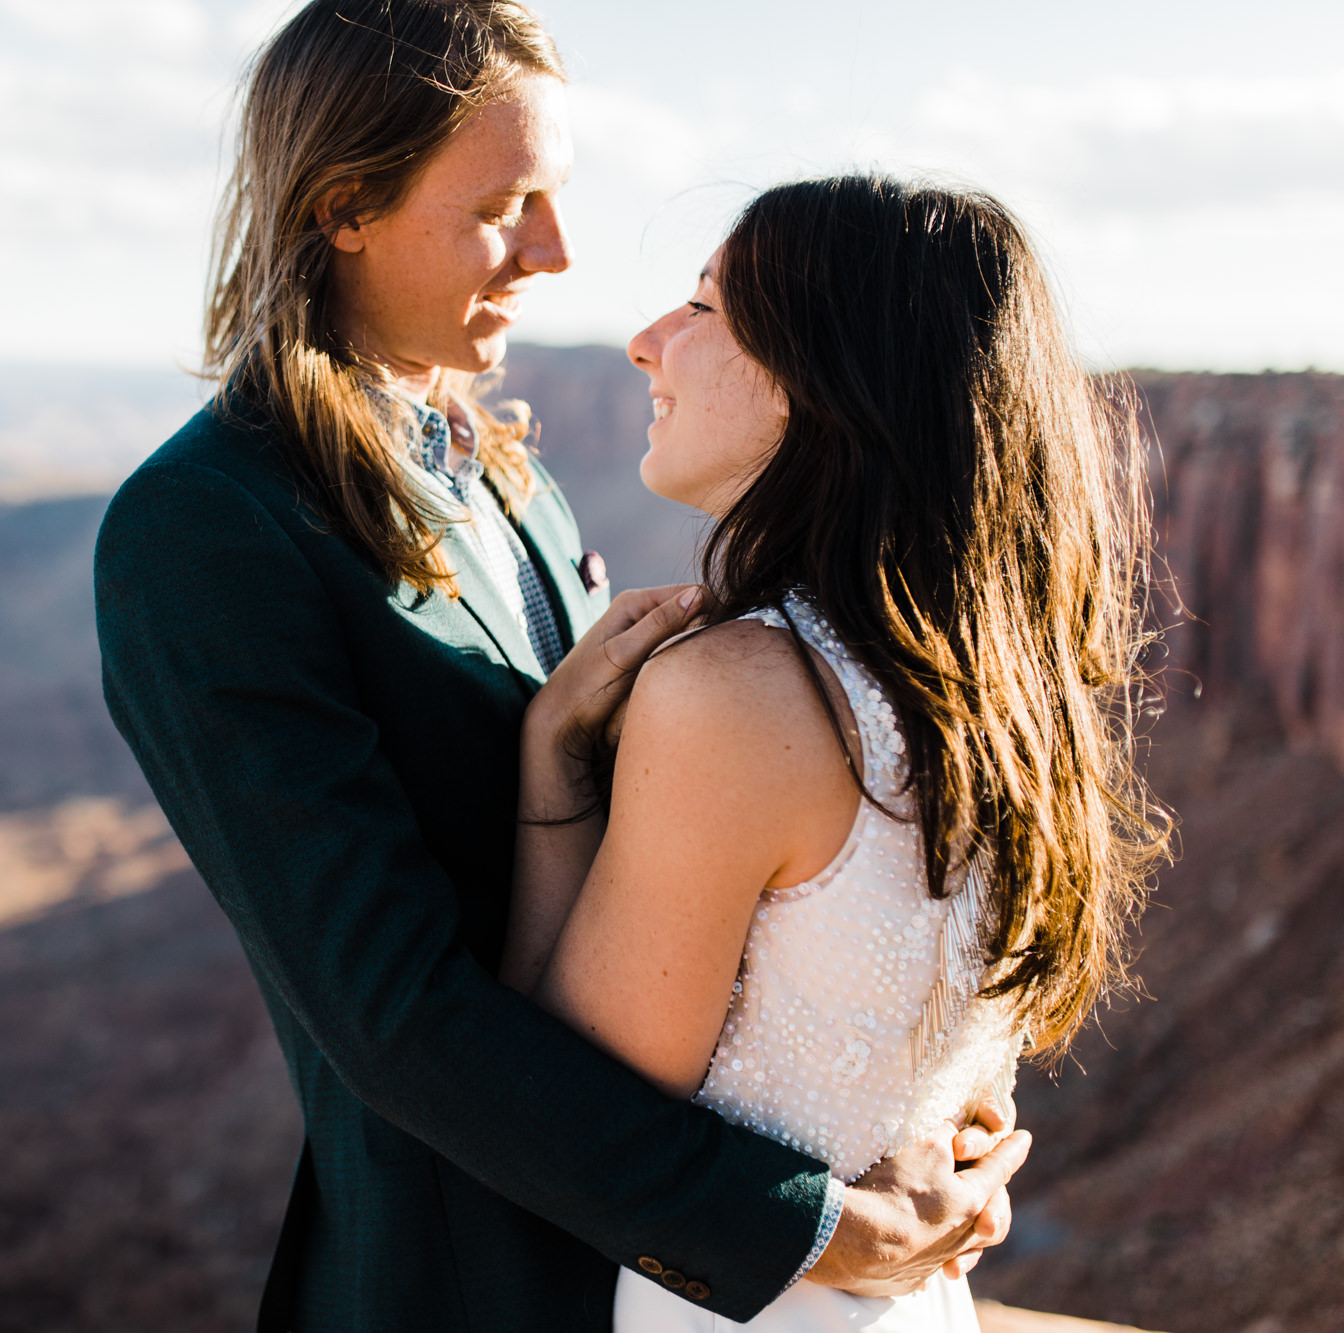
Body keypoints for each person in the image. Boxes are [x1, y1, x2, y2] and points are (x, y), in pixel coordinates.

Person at [96, 5, 1026, 1329]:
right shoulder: (205, 530)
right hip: (465, 1279)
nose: (556, 251)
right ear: (346, 203)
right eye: (505, 206)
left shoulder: (502, 477)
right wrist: (811, 1227)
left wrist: (919, 1098)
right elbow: (392, 1011)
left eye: (555, 199)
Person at [502, 175, 1171, 1331]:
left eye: (704, 309)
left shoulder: (731, 693)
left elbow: (572, 1107)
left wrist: (548, 767)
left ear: (824, 378)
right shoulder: (1001, 696)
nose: (644, 341)